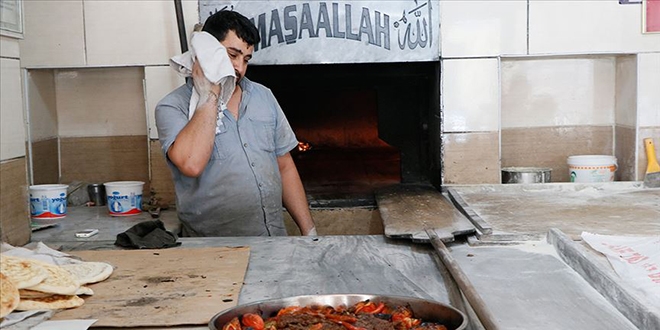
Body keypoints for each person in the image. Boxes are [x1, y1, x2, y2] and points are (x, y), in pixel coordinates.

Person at [155, 10, 316, 237]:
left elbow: (285, 167)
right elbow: (191, 164)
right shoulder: (172, 107)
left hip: (272, 239)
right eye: (232, 55)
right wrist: (209, 95)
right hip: (214, 249)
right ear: (206, 51)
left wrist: (309, 231)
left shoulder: (264, 97)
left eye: (246, 59)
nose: (239, 67)